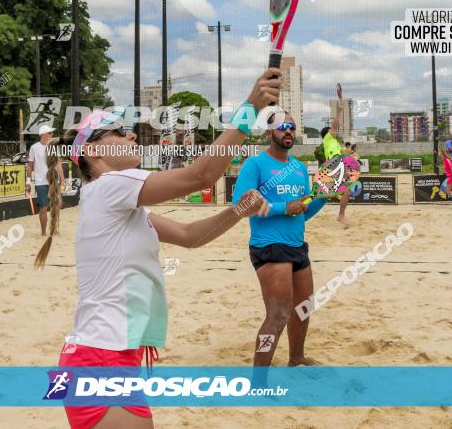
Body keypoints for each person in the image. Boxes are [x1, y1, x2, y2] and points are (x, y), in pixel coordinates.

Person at [35, 69, 280, 429]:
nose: (132, 133)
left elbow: (190, 236)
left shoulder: (118, 203)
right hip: (103, 360)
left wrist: (237, 210)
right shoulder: (111, 187)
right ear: (91, 150)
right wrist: (250, 108)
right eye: (119, 130)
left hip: (103, 356)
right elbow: (200, 175)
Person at [232, 110, 328, 372]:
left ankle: (296, 359)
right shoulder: (256, 165)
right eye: (283, 127)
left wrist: (325, 196)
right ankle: (259, 380)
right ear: (269, 131)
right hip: (269, 246)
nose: (289, 131)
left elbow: (303, 211)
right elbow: (240, 204)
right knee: (277, 315)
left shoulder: (298, 167)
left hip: (297, 245)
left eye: (292, 127)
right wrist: (283, 208)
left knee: (303, 308)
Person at [26, 126, 64, 236]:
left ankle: (54, 228)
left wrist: (62, 179)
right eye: (50, 133)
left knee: (56, 205)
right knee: (43, 207)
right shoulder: (34, 148)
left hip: (53, 181)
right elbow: (30, 166)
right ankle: (43, 233)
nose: (52, 135)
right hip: (40, 182)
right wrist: (28, 182)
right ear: (43, 134)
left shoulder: (53, 147)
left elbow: (58, 164)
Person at [320, 113, 350, 227]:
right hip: (334, 168)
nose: (334, 131)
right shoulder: (327, 139)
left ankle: (341, 215)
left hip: (336, 167)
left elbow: (343, 154)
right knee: (346, 191)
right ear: (327, 134)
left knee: (345, 192)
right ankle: (341, 215)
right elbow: (334, 126)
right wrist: (340, 111)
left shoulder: (335, 143)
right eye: (331, 130)